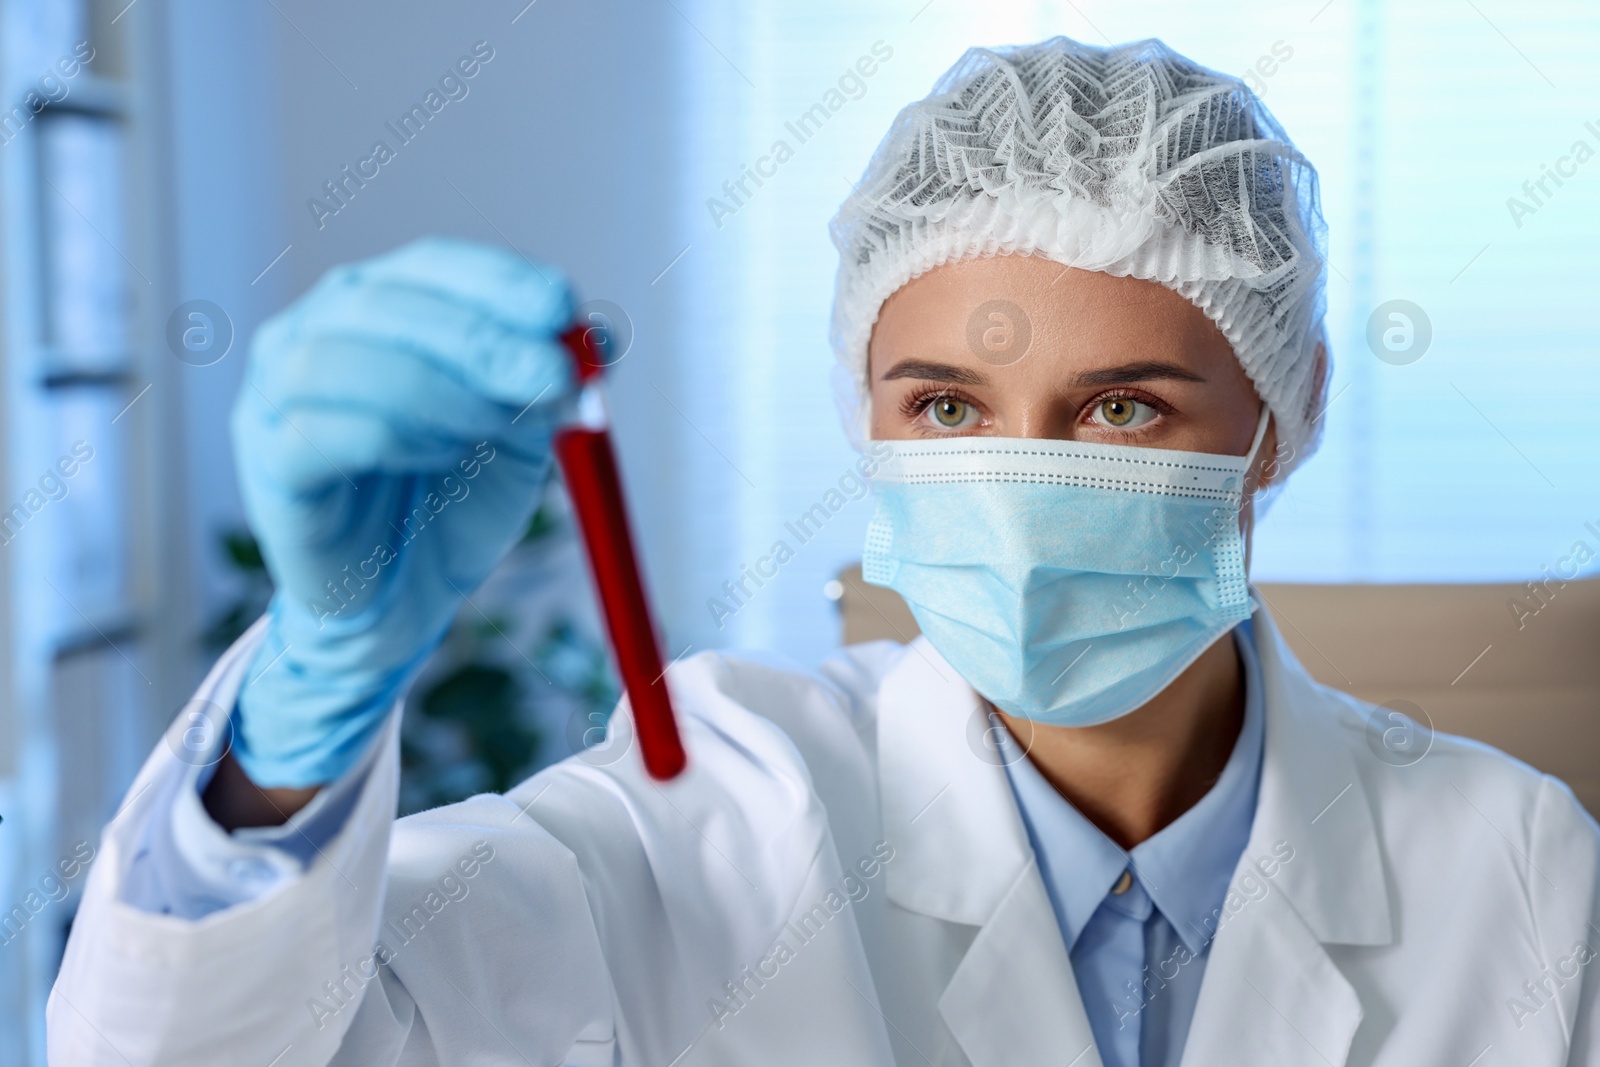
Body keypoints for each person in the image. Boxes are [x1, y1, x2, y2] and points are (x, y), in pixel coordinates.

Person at [48, 36, 1598, 1067]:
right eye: (947, 404)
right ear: (864, 417)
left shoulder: (1519, 875)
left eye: (1120, 407)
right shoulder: (710, 816)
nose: (1019, 482)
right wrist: (291, 735)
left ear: (1287, 415)